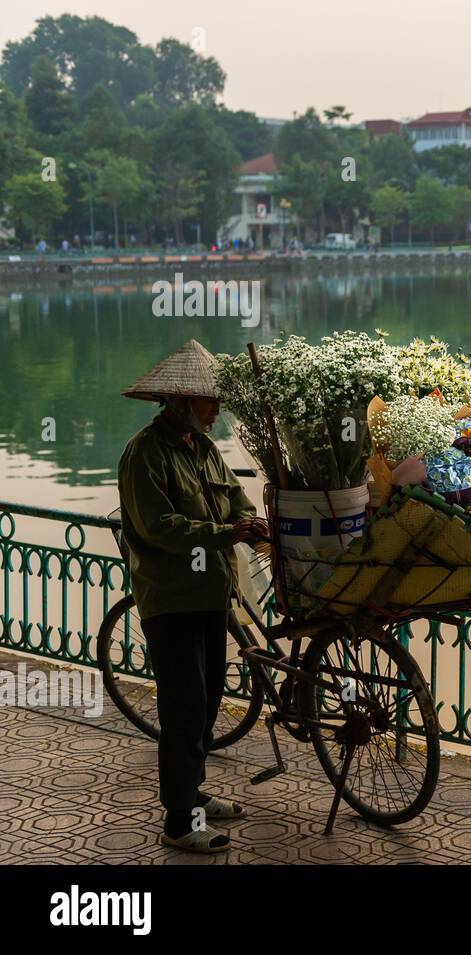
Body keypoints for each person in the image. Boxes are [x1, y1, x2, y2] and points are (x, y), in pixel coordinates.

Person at [117, 340, 269, 853]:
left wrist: (251, 522)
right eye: (210, 401)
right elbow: (160, 526)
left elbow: (234, 497)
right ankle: (179, 821)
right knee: (182, 707)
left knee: (207, 701)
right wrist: (224, 534)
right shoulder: (145, 453)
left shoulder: (201, 448)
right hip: (171, 595)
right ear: (181, 400)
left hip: (211, 590)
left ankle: (193, 792)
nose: (216, 411)